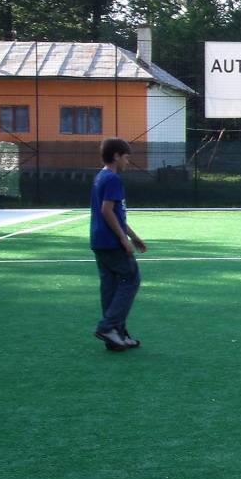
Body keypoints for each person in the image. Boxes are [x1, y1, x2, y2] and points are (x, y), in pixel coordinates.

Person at [91, 137, 147, 351]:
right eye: (126, 157)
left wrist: (133, 236)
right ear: (116, 156)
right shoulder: (113, 179)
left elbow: (116, 213)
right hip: (111, 241)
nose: (127, 162)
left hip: (99, 241)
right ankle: (108, 327)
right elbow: (107, 211)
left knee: (110, 286)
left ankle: (116, 335)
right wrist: (123, 239)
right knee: (131, 278)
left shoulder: (100, 176)